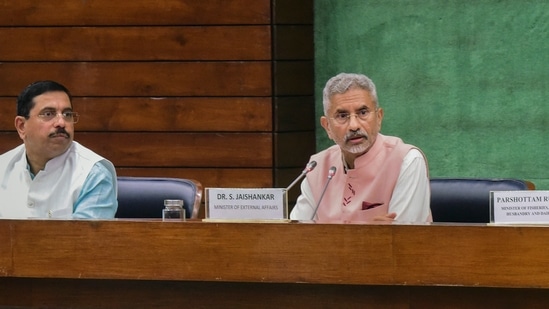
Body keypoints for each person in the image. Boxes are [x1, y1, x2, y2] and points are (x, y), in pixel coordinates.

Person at [290, 73, 431, 223]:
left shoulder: (407, 161)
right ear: (327, 127)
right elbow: (296, 237)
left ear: (378, 118)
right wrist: (367, 233)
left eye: (363, 113)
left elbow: (401, 239)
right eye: (342, 116)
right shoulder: (317, 168)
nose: (354, 126)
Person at [0, 80, 118, 219]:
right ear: (21, 126)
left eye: (67, 114)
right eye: (48, 114)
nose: (61, 123)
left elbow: (83, 239)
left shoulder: (93, 174)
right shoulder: (3, 166)